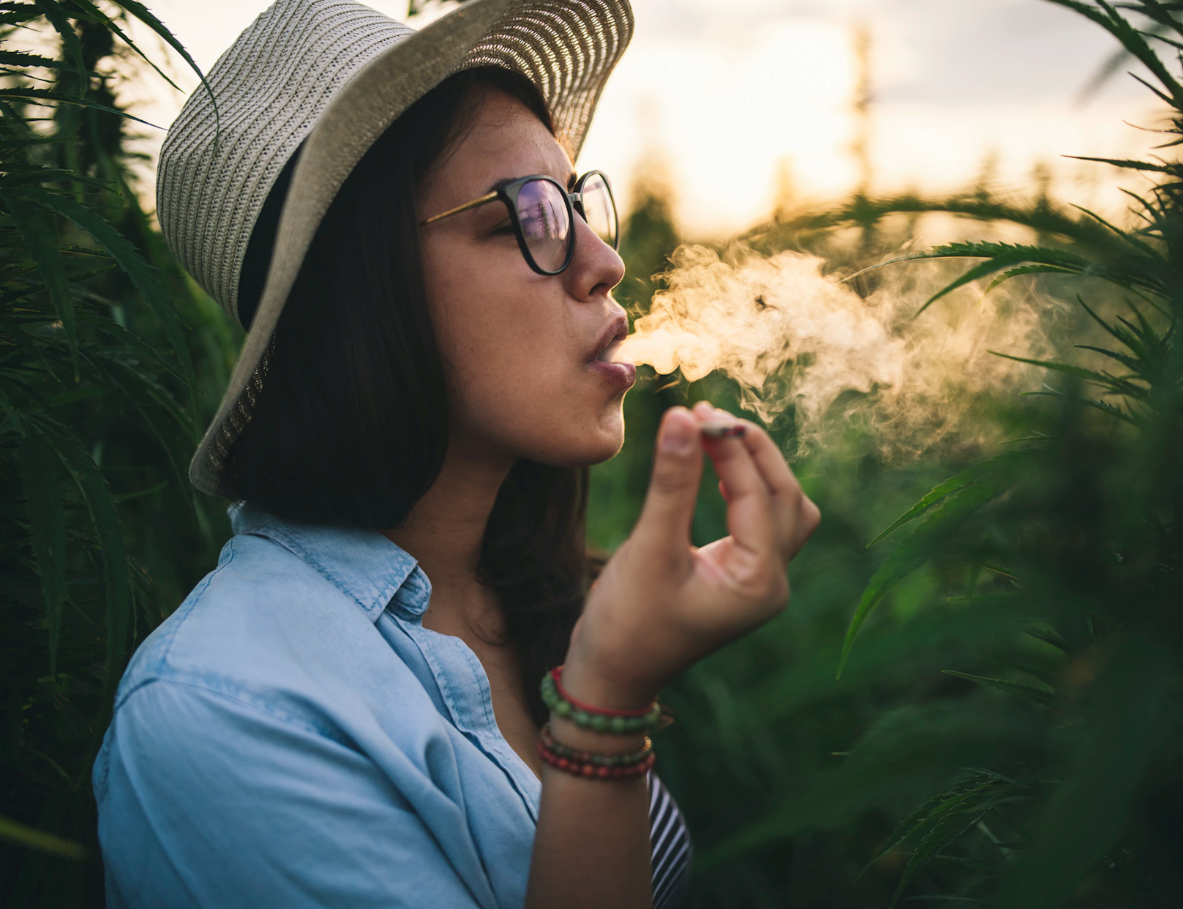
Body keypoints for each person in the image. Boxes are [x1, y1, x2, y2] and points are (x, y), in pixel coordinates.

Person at [92, 1, 820, 907]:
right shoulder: (222, 714)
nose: (603, 262)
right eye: (529, 216)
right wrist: (603, 711)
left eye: (580, 204)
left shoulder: (522, 599)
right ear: (360, 291)